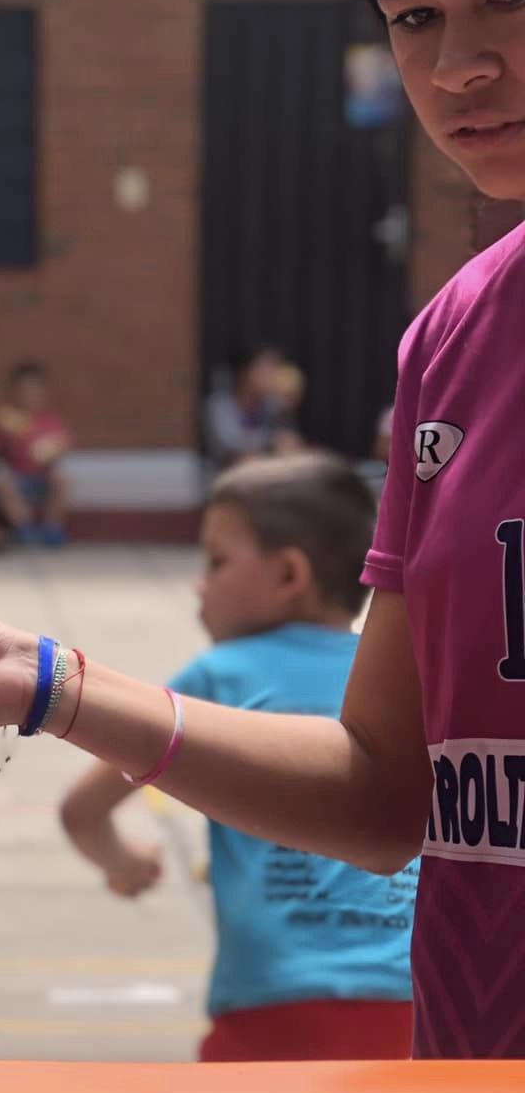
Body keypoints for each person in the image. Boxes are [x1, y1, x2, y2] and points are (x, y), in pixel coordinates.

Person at [0, 0, 525, 1065]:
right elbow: (386, 791)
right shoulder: (453, 340)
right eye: (413, 15)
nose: (459, 65)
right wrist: (46, 685)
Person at [60, 454, 417, 1061]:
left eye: (217, 562)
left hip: (272, 1007)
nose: (199, 584)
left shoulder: (218, 677)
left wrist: (124, 864)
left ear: (288, 575)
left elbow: (82, 811)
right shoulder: (397, 679)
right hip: (413, 1002)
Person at [0, 359, 73, 546]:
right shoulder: (5, 419)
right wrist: (6, 441)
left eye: (35, 391)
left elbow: (64, 443)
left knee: (63, 480)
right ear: (14, 393)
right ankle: (23, 528)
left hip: (43, 477)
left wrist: (54, 450)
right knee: (3, 483)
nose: (29, 397)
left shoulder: (50, 421)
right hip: (18, 478)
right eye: (24, 392)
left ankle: (52, 527)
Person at [203, 346, 306, 472]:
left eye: (274, 370)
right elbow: (230, 446)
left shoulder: (272, 404)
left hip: (264, 471)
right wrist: (271, 442)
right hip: (226, 473)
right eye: (264, 369)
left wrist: (286, 410)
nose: (271, 377)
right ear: (244, 372)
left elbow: (288, 440)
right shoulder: (219, 404)